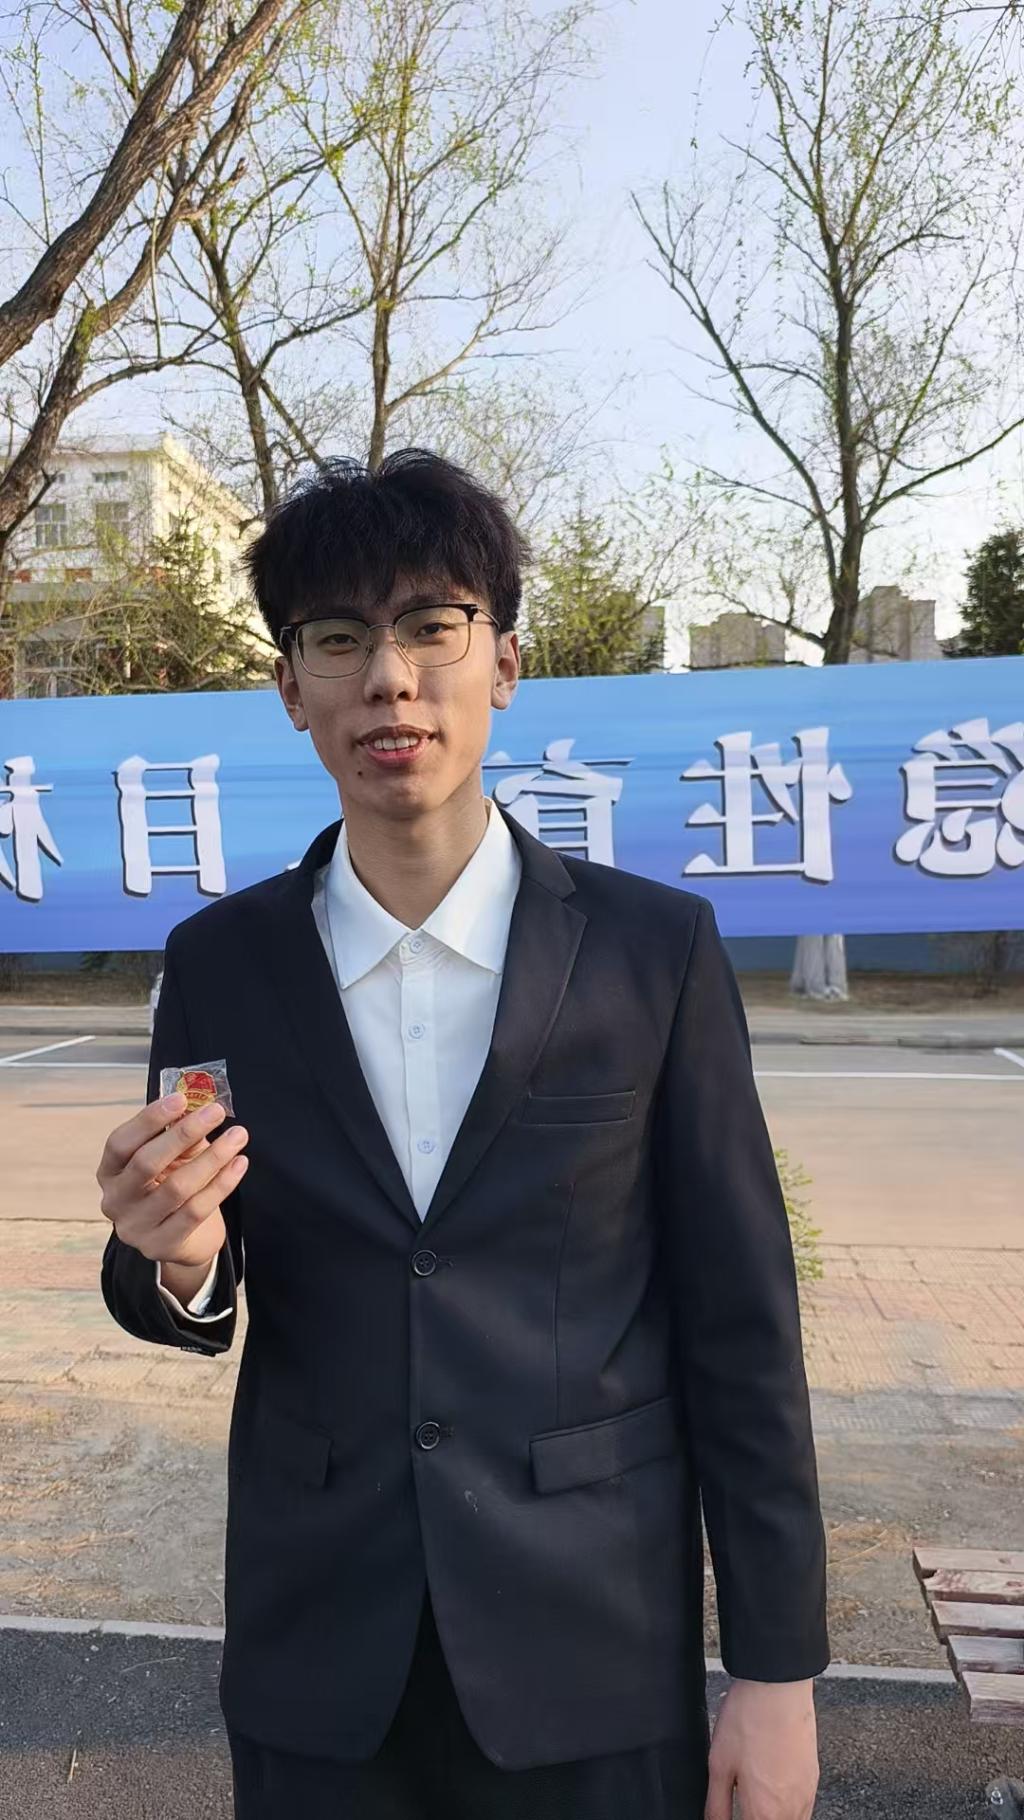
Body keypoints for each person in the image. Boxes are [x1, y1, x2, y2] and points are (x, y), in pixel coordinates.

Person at [97, 448, 829, 1820]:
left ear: (504, 664)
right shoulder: (220, 966)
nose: (390, 679)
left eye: (433, 626)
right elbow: (188, 1263)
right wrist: (178, 1261)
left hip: (593, 1649)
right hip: (322, 1650)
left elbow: (742, 1326)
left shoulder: (651, 955)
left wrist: (777, 1673)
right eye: (338, 639)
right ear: (292, 689)